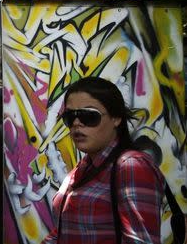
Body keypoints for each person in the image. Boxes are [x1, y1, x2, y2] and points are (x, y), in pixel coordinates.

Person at [42, 76, 165, 244]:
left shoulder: (130, 166)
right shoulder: (84, 168)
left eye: (89, 116)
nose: (77, 123)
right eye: (70, 117)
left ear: (116, 118)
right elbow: (65, 230)